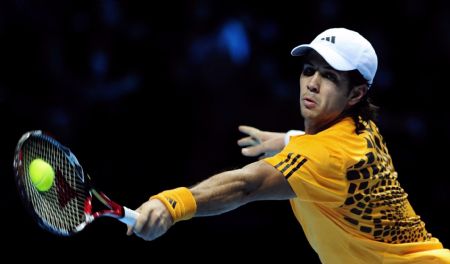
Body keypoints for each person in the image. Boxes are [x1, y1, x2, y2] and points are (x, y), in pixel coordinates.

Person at [127, 28, 450, 263]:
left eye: (330, 77)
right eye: (309, 70)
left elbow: (246, 185)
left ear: (356, 94)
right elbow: (323, 150)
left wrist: (172, 204)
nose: (312, 83)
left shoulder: (325, 156)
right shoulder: (362, 129)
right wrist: (285, 139)